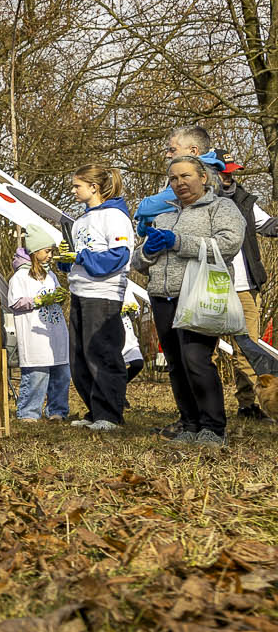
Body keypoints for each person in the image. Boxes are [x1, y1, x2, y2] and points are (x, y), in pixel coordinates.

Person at [133, 155, 246, 446]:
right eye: (174, 178)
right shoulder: (164, 216)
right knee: (175, 363)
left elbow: (229, 244)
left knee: (195, 359)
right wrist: (148, 251)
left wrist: (180, 242)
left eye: (186, 176)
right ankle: (190, 424)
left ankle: (213, 428)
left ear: (204, 177)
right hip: (163, 296)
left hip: (199, 295)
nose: (180, 183)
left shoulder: (222, 207)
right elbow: (139, 260)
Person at [62, 163, 135, 430]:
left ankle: (110, 414)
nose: (73, 190)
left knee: (102, 353)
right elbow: (82, 256)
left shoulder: (115, 217)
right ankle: (95, 410)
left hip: (103, 294)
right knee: (79, 355)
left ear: (94, 187)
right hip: (79, 291)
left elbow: (119, 256)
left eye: (77, 185)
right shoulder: (81, 220)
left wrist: (81, 256)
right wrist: (66, 260)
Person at [212, 156, 278, 421]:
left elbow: (267, 225)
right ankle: (206, 406)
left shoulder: (246, 201)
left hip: (246, 286)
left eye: (232, 172)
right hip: (211, 287)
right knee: (206, 351)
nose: (228, 177)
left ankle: (250, 405)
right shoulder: (199, 203)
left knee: (248, 349)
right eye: (223, 173)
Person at [7, 242, 70, 422]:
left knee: (61, 374)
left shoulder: (50, 274)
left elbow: (56, 293)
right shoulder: (20, 277)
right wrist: (38, 301)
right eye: (47, 251)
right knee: (37, 375)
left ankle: (57, 411)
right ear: (35, 252)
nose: (50, 255)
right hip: (34, 334)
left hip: (55, 331)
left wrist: (59, 297)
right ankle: (28, 413)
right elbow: (15, 303)